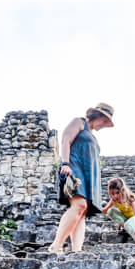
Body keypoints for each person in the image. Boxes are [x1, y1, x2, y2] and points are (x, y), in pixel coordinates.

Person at [48, 103, 115, 254]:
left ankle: (76, 251)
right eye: (104, 121)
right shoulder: (79, 122)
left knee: (82, 212)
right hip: (73, 167)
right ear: (97, 115)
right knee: (79, 205)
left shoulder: (92, 135)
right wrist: (65, 163)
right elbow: (66, 140)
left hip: (87, 174)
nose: (104, 125)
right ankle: (56, 245)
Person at [101, 177, 135, 248]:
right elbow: (105, 210)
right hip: (127, 219)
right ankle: (126, 228)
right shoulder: (113, 200)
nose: (115, 196)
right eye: (112, 193)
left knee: (128, 224)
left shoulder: (130, 198)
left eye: (117, 193)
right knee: (110, 211)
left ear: (122, 190)